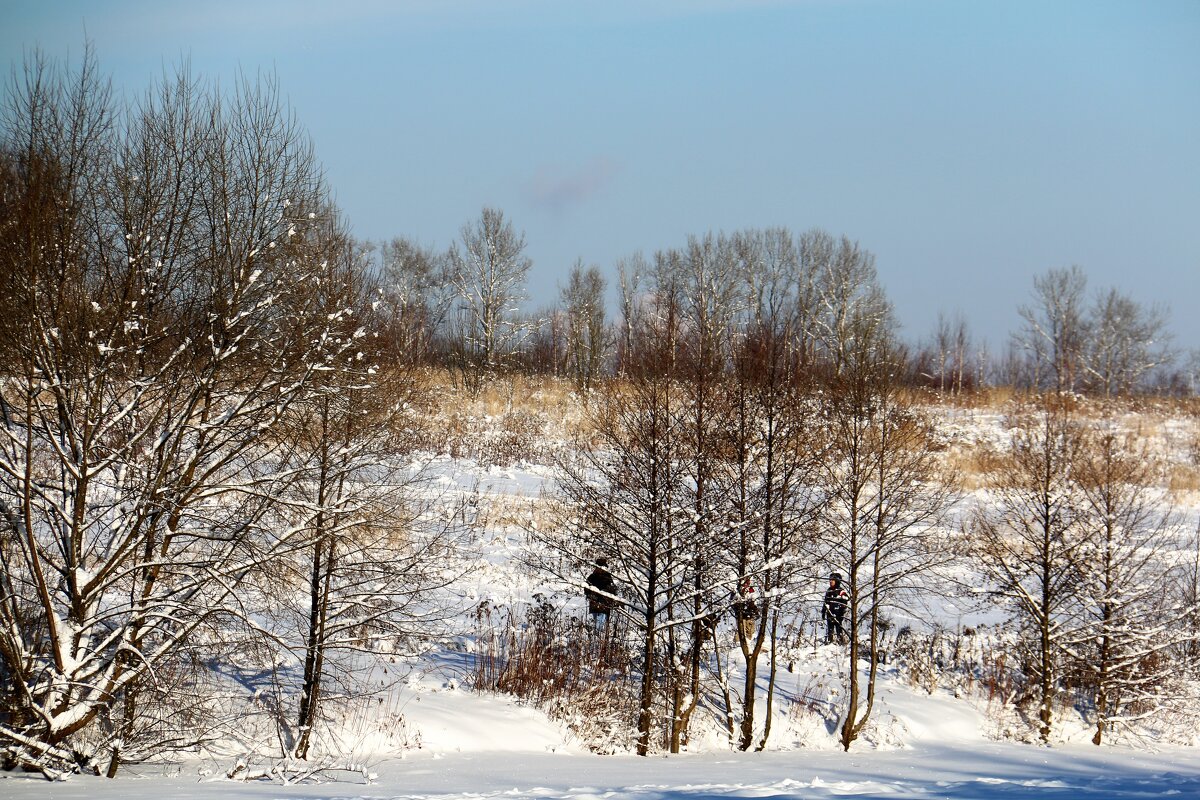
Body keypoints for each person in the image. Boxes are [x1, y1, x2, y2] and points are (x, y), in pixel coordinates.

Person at [584, 558, 617, 630]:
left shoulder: (593, 576)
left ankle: (597, 637)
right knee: (598, 624)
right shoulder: (606, 576)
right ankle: (598, 637)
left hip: (600, 603)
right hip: (601, 603)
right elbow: (612, 590)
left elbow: (586, 589)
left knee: (598, 624)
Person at [822, 572, 849, 645]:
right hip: (829, 613)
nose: (830, 582)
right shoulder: (829, 590)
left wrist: (841, 610)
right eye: (830, 580)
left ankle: (840, 643)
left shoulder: (841, 591)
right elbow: (826, 602)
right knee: (830, 629)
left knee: (839, 629)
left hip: (838, 614)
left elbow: (845, 601)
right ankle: (830, 642)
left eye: (832, 580)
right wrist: (823, 611)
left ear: (837, 581)